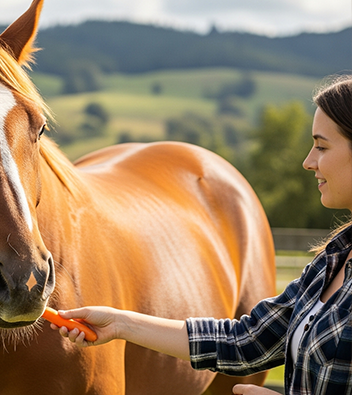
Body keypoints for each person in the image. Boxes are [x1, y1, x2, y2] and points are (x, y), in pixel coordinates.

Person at [51, 74, 352, 395]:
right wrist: (122, 324)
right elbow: (246, 341)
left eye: (321, 146)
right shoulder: (332, 261)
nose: (308, 162)